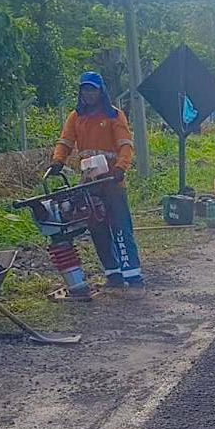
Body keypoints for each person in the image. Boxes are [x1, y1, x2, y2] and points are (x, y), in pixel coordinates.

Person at [51, 72, 145, 292]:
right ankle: (113, 274)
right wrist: (57, 161)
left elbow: (125, 145)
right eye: (85, 89)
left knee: (121, 228)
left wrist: (121, 167)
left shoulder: (114, 115)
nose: (88, 93)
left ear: (101, 91)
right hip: (89, 183)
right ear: (80, 92)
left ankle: (133, 277)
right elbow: (64, 142)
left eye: (92, 89)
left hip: (112, 181)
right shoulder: (76, 117)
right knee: (97, 228)